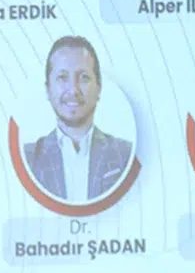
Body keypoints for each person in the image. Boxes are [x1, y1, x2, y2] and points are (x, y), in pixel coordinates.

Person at [23, 36, 133, 203]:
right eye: (62, 77)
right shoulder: (28, 159)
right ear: (48, 89)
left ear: (99, 88)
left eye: (84, 78)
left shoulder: (125, 154)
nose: (73, 90)